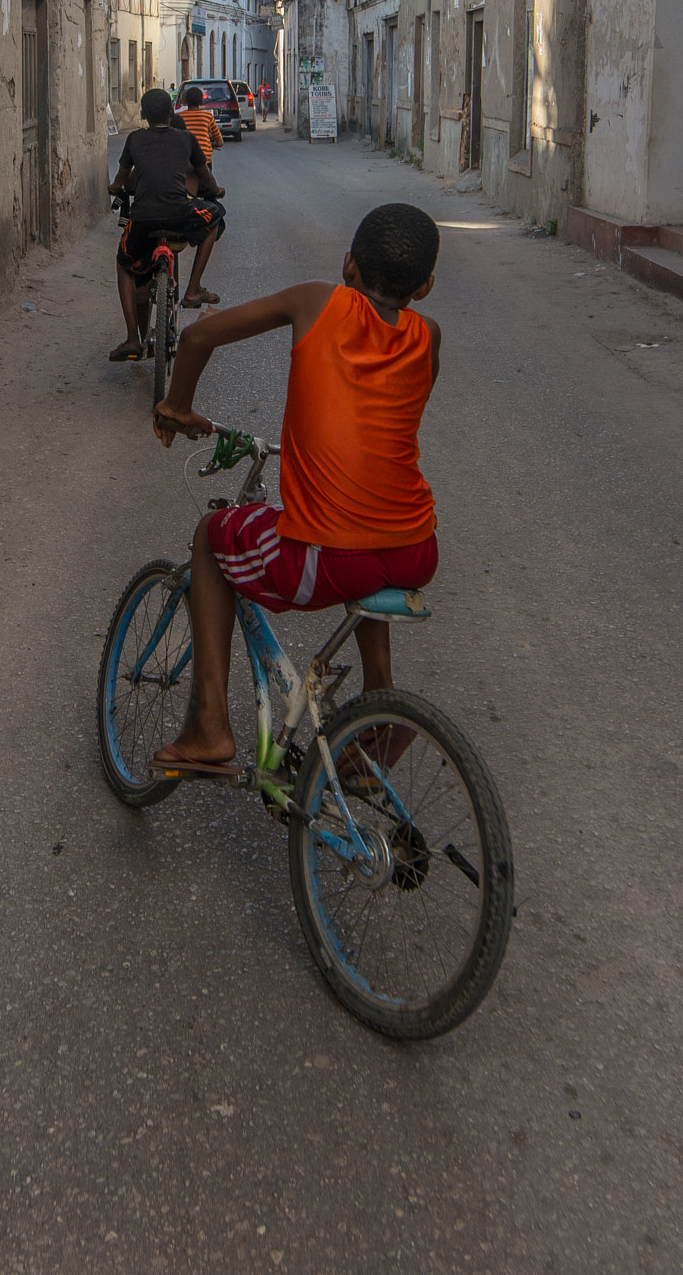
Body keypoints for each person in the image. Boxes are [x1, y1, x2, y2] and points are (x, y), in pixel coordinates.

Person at [145, 204, 443, 775]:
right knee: (368, 544)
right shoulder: (428, 336)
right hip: (415, 547)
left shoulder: (318, 300)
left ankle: (209, 728)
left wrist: (176, 406)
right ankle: (381, 709)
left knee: (211, 536)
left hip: (328, 555)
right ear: (425, 287)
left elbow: (200, 335)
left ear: (347, 264)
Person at [108, 88, 225, 358]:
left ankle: (132, 339)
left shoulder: (134, 139)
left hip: (143, 219)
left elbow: (122, 179)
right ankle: (194, 289)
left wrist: (114, 188)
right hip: (180, 213)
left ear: (143, 115)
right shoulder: (186, 138)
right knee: (215, 215)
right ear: (172, 113)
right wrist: (216, 191)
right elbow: (205, 176)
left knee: (124, 263)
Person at [176, 85, 221, 166]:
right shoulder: (208, 116)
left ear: (186, 101)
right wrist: (217, 144)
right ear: (202, 102)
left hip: (184, 158)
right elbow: (218, 137)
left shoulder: (179, 116)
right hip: (204, 159)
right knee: (208, 178)